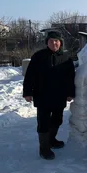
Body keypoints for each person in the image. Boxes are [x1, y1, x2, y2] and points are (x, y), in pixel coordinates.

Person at [23, 30, 76, 160]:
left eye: (56, 41)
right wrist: (27, 92)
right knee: (43, 121)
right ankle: (44, 149)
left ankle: (52, 140)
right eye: (51, 41)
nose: (54, 43)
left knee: (58, 119)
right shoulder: (38, 56)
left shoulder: (66, 57)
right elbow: (30, 75)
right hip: (42, 95)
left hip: (59, 95)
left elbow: (70, 77)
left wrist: (70, 93)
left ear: (60, 43)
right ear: (47, 42)